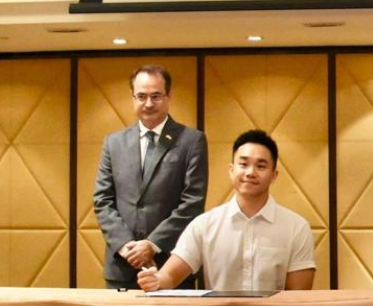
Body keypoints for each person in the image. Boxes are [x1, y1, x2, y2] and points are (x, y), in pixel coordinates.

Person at [137, 129, 316, 292]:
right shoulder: (204, 225)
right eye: (243, 164)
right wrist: (156, 280)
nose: (250, 172)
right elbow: (169, 276)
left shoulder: (296, 228)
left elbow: (298, 297)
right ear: (231, 170)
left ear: (274, 176)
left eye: (261, 166)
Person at [93, 64, 208, 288]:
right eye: (141, 96)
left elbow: (192, 203)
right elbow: (102, 200)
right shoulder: (113, 143)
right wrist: (127, 246)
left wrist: (152, 244)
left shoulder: (191, 141)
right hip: (122, 266)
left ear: (168, 96)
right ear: (132, 98)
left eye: (156, 96)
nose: (148, 103)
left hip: (171, 267)